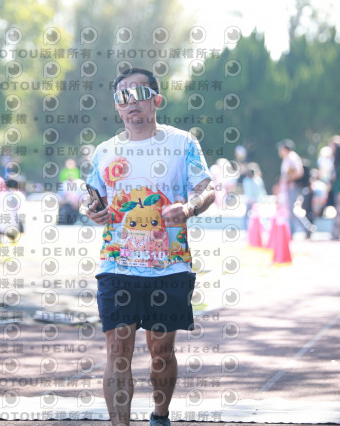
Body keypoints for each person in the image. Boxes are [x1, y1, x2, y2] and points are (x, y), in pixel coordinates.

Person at [85, 67, 215, 426]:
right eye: (122, 96)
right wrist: (92, 210)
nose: (131, 103)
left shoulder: (182, 144)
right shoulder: (105, 151)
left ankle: (160, 415)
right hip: (117, 265)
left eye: (139, 94)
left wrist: (189, 209)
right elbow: (93, 198)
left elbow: (207, 188)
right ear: (116, 106)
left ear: (156, 100)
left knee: (161, 351)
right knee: (117, 351)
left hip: (169, 267)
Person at [277, 139, 305, 236]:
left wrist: (287, 179)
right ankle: (290, 232)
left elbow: (299, 172)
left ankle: (305, 229)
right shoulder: (287, 158)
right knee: (289, 210)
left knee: (293, 210)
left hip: (293, 187)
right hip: (288, 188)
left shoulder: (292, 157)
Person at [241, 162, 267, 229]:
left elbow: (261, 191)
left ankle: (262, 228)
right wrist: (249, 199)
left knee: (260, 215)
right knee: (247, 216)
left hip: (257, 201)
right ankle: (246, 228)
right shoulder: (246, 180)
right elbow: (247, 191)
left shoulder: (258, 180)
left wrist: (262, 199)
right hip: (250, 201)